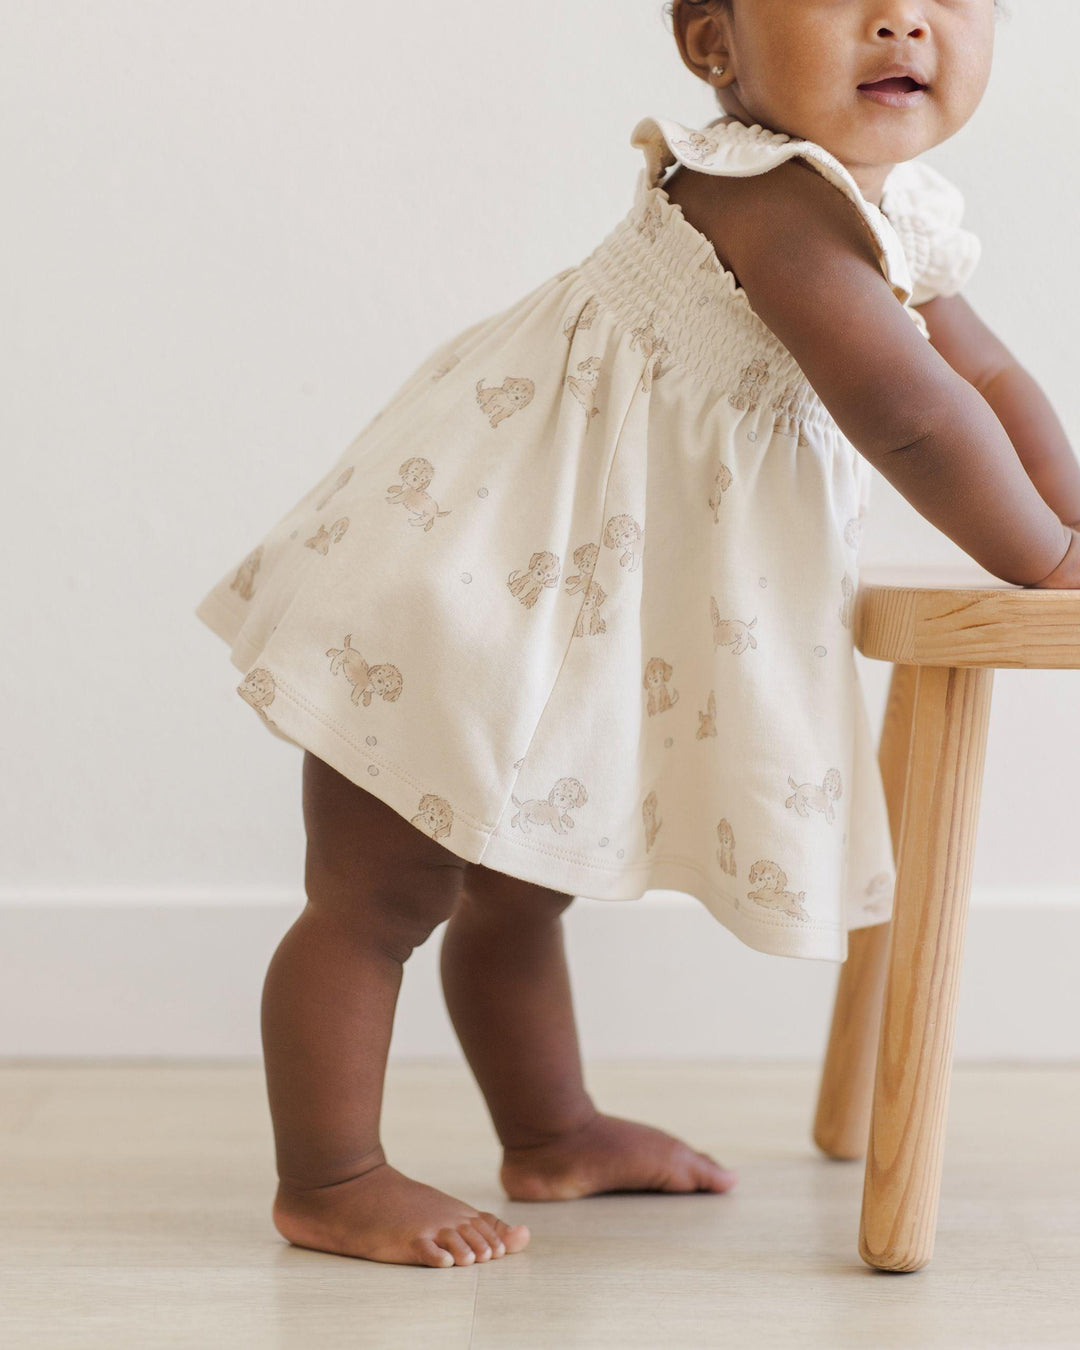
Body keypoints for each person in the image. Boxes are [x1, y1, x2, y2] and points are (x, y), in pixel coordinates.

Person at [193, 0, 1080, 1269]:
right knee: (376, 893)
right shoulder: (766, 195)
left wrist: (1071, 513)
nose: (901, 21)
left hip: (580, 600)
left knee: (521, 886)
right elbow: (913, 413)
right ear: (715, 44)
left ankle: (550, 1133)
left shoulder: (897, 210)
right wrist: (1045, 558)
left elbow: (984, 378)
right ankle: (329, 1176)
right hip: (470, 574)